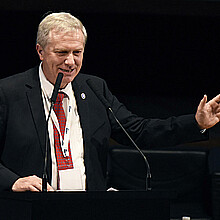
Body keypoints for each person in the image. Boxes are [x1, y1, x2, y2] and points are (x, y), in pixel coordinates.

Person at [0, 12, 220, 192]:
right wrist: (13, 182)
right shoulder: (9, 92)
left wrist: (196, 123)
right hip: (30, 209)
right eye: (61, 52)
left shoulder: (95, 89)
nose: (70, 61)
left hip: (88, 209)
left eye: (77, 52)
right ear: (40, 51)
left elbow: (139, 132)